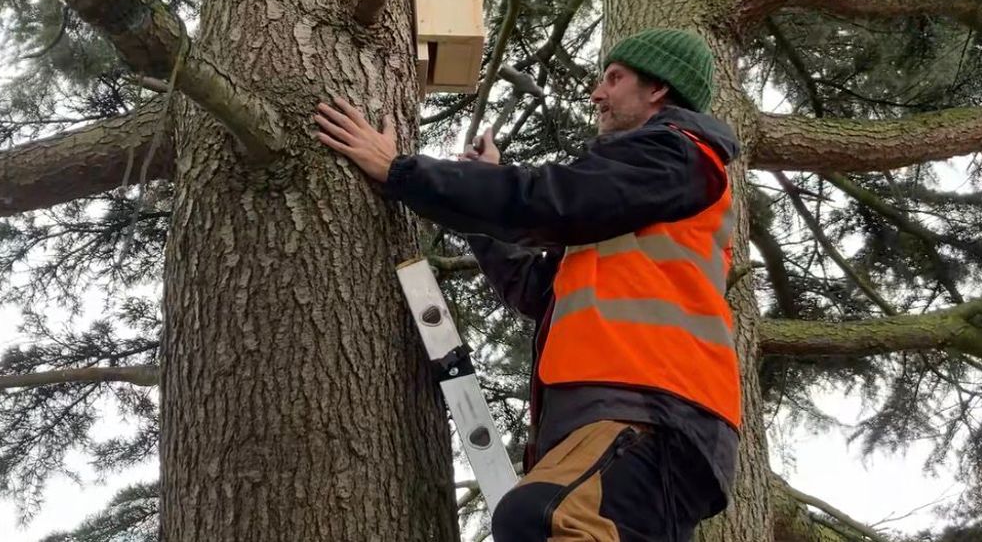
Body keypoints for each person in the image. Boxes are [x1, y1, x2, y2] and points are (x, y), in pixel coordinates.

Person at [314, 28, 741, 541]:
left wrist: (400, 172)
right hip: (625, 413)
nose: (597, 94)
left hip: (651, 409)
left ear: (658, 90)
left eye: (614, 78)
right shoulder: (629, 206)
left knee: (544, 518)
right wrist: (479, 209)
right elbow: (537, 288)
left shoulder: (677, 156)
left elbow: (552, 199)